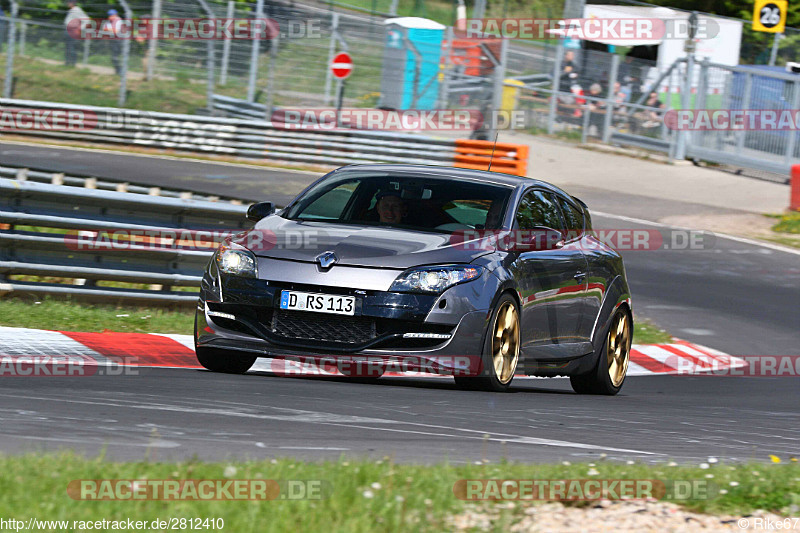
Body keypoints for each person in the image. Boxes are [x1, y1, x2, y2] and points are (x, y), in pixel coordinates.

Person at [64, 0, 88, 66]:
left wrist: (80, 29)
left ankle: (72, 63)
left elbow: (86, 20)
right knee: (68, 47)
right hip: (68, 30)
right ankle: (67, 62)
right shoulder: (71, 10)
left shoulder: (77, 10)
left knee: (72, 48)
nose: (67, 3)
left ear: (73, 3)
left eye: (69, 2)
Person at [102, 9, 123, 75]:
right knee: (113, 57)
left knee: (116, 57)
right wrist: (109, 30)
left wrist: (108, 30)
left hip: (118, 41)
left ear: (115, 15)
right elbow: (103, 29)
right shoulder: (108, 22)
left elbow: (116, 31)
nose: (110, 17)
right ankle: (118, 70)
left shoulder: (119, 20)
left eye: (111, 15)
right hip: (112, 41)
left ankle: (120, 71)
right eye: (109, 15)